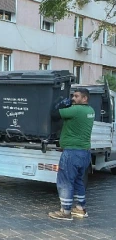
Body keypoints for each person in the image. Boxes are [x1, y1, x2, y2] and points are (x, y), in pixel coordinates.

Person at [48, 88, 95, 220]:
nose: (73, 98)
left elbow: (54, 115)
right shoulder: (90, 111)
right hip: (84, 152)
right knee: (78, 180)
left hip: (72, 152)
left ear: (84, 98)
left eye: (76, 96)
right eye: (73, 96)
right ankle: (80, 209)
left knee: (65, 182)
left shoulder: (75, 110)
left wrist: (62, 104)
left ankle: (66, 212)